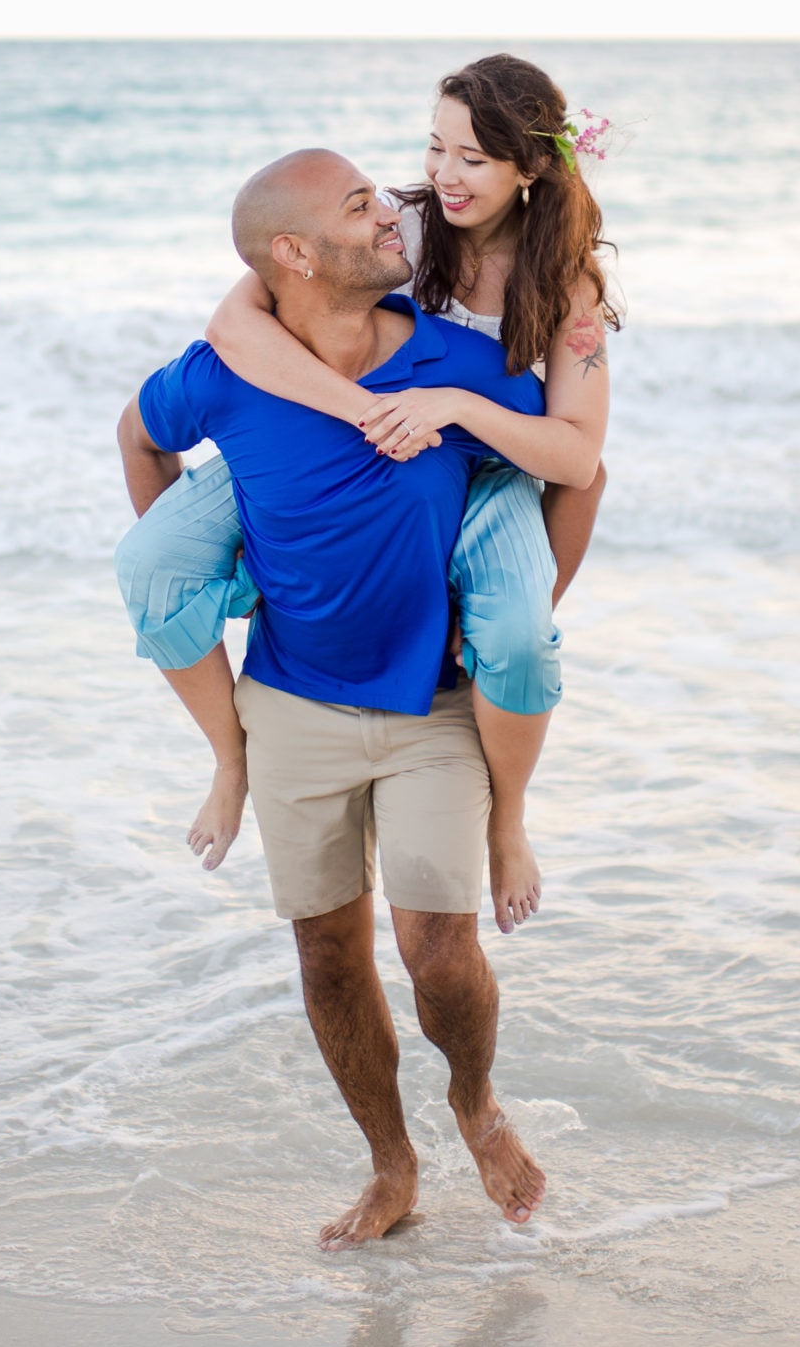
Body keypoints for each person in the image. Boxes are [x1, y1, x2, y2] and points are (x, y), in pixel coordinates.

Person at [115, 150, 552, 1247]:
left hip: (433, 707)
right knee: (326, 950)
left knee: (438, 950)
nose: (391, 211)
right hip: (291, 702)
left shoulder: (463, 362)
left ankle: (476, 1102)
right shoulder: (225, 373)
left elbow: (571, 465)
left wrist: (533, 604)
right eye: (358, 206)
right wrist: (223, 569)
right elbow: (141, 434)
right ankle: (391, 1163)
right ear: (292, 255)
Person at [117, 53, 615, 932]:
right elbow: (237, 321)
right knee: (152, 562)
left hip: (484, 459)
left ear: (531, 168)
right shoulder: (403, 228)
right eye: (436, 148)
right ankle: (230, 759)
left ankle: (509, 821)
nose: (442, 176)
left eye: (473, 159)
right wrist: (366, 414)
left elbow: (579, 461)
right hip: (346, 429)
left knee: (517, 637)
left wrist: (455, 406)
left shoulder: (563, 280)